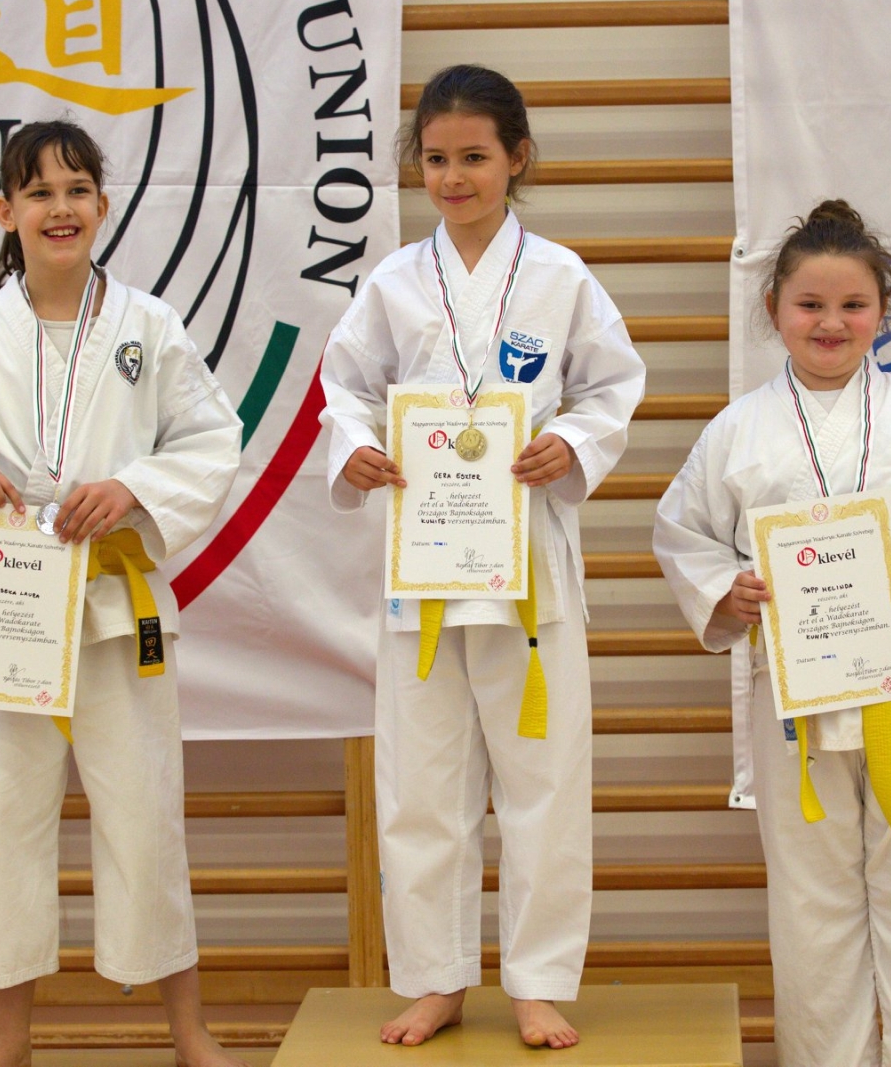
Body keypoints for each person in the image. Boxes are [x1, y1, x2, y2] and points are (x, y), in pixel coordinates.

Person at [0, 119, 247, 1067]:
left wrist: (132, 487)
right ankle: (8, 1037)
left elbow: (211, 440)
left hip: (112, 604)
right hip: (5, 606)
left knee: (145, 814)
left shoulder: (149, 326)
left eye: (77, 191)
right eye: (40, 193)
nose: (61, 209)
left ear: (102, 204)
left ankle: (188, 1030)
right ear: (4, 212)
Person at [320, 64, 646, 1049]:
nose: (453, 177)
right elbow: (344, 389)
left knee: (544, 778)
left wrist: (573, 443)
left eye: (473, 157)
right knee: (422, 784)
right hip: (423, 564)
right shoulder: (392, 282)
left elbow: (613, 386)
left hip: (525, 559)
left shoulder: (559, 277)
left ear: (517, 159)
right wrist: (355, 447)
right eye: (435, 159)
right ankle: (436, 977)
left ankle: (538, 981)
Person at [652, 200, 891, 1066]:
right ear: (773, 308)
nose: (831, 322)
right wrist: (726, 588)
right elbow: (683, 531)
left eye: (853, 304)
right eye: (810, 304)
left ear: (883, 312)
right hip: (799, 691)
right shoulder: (737, 430)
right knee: (811, 907)